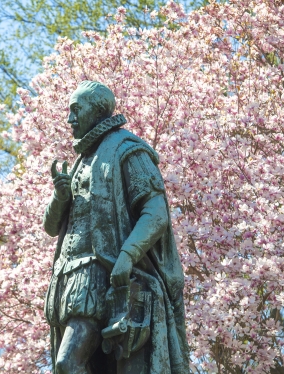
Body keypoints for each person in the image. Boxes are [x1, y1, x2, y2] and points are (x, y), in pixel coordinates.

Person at [43, 81, 189, 374]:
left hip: (111, 278)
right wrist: (61, 197)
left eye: (75, 110)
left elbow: (156, 212)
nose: (69, 119)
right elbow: (51, 227)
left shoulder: (127, 149)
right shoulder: (80, 162)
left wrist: (127, 256)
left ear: (97, 111)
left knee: (66, 364)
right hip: (70, 281)